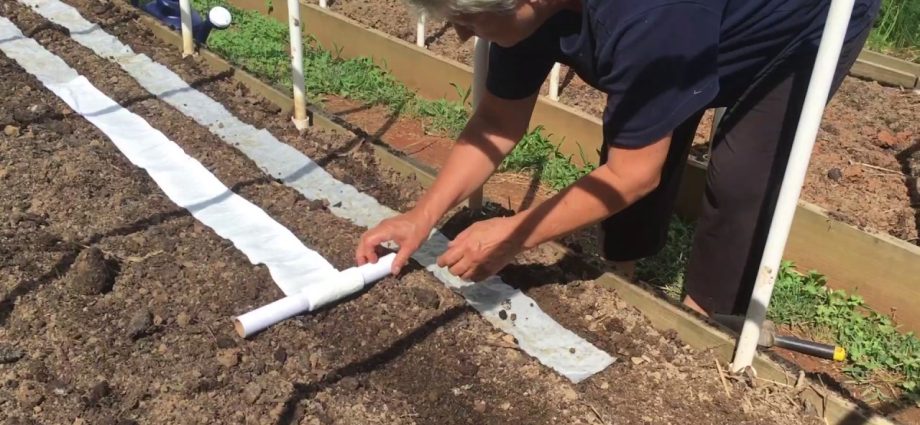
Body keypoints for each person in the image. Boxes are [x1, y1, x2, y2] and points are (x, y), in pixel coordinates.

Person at [354, 0, 881, 316]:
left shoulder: (647, 16)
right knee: (637, 131)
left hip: (797, 25)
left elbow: (633, 174)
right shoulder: (522, 16)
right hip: (695, 20)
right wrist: (421, 216)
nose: (464, 32)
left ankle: (704, 328)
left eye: (470, 18)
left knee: (744, 176)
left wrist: (517, 232)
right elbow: (496, 123)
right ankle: (623, 278)